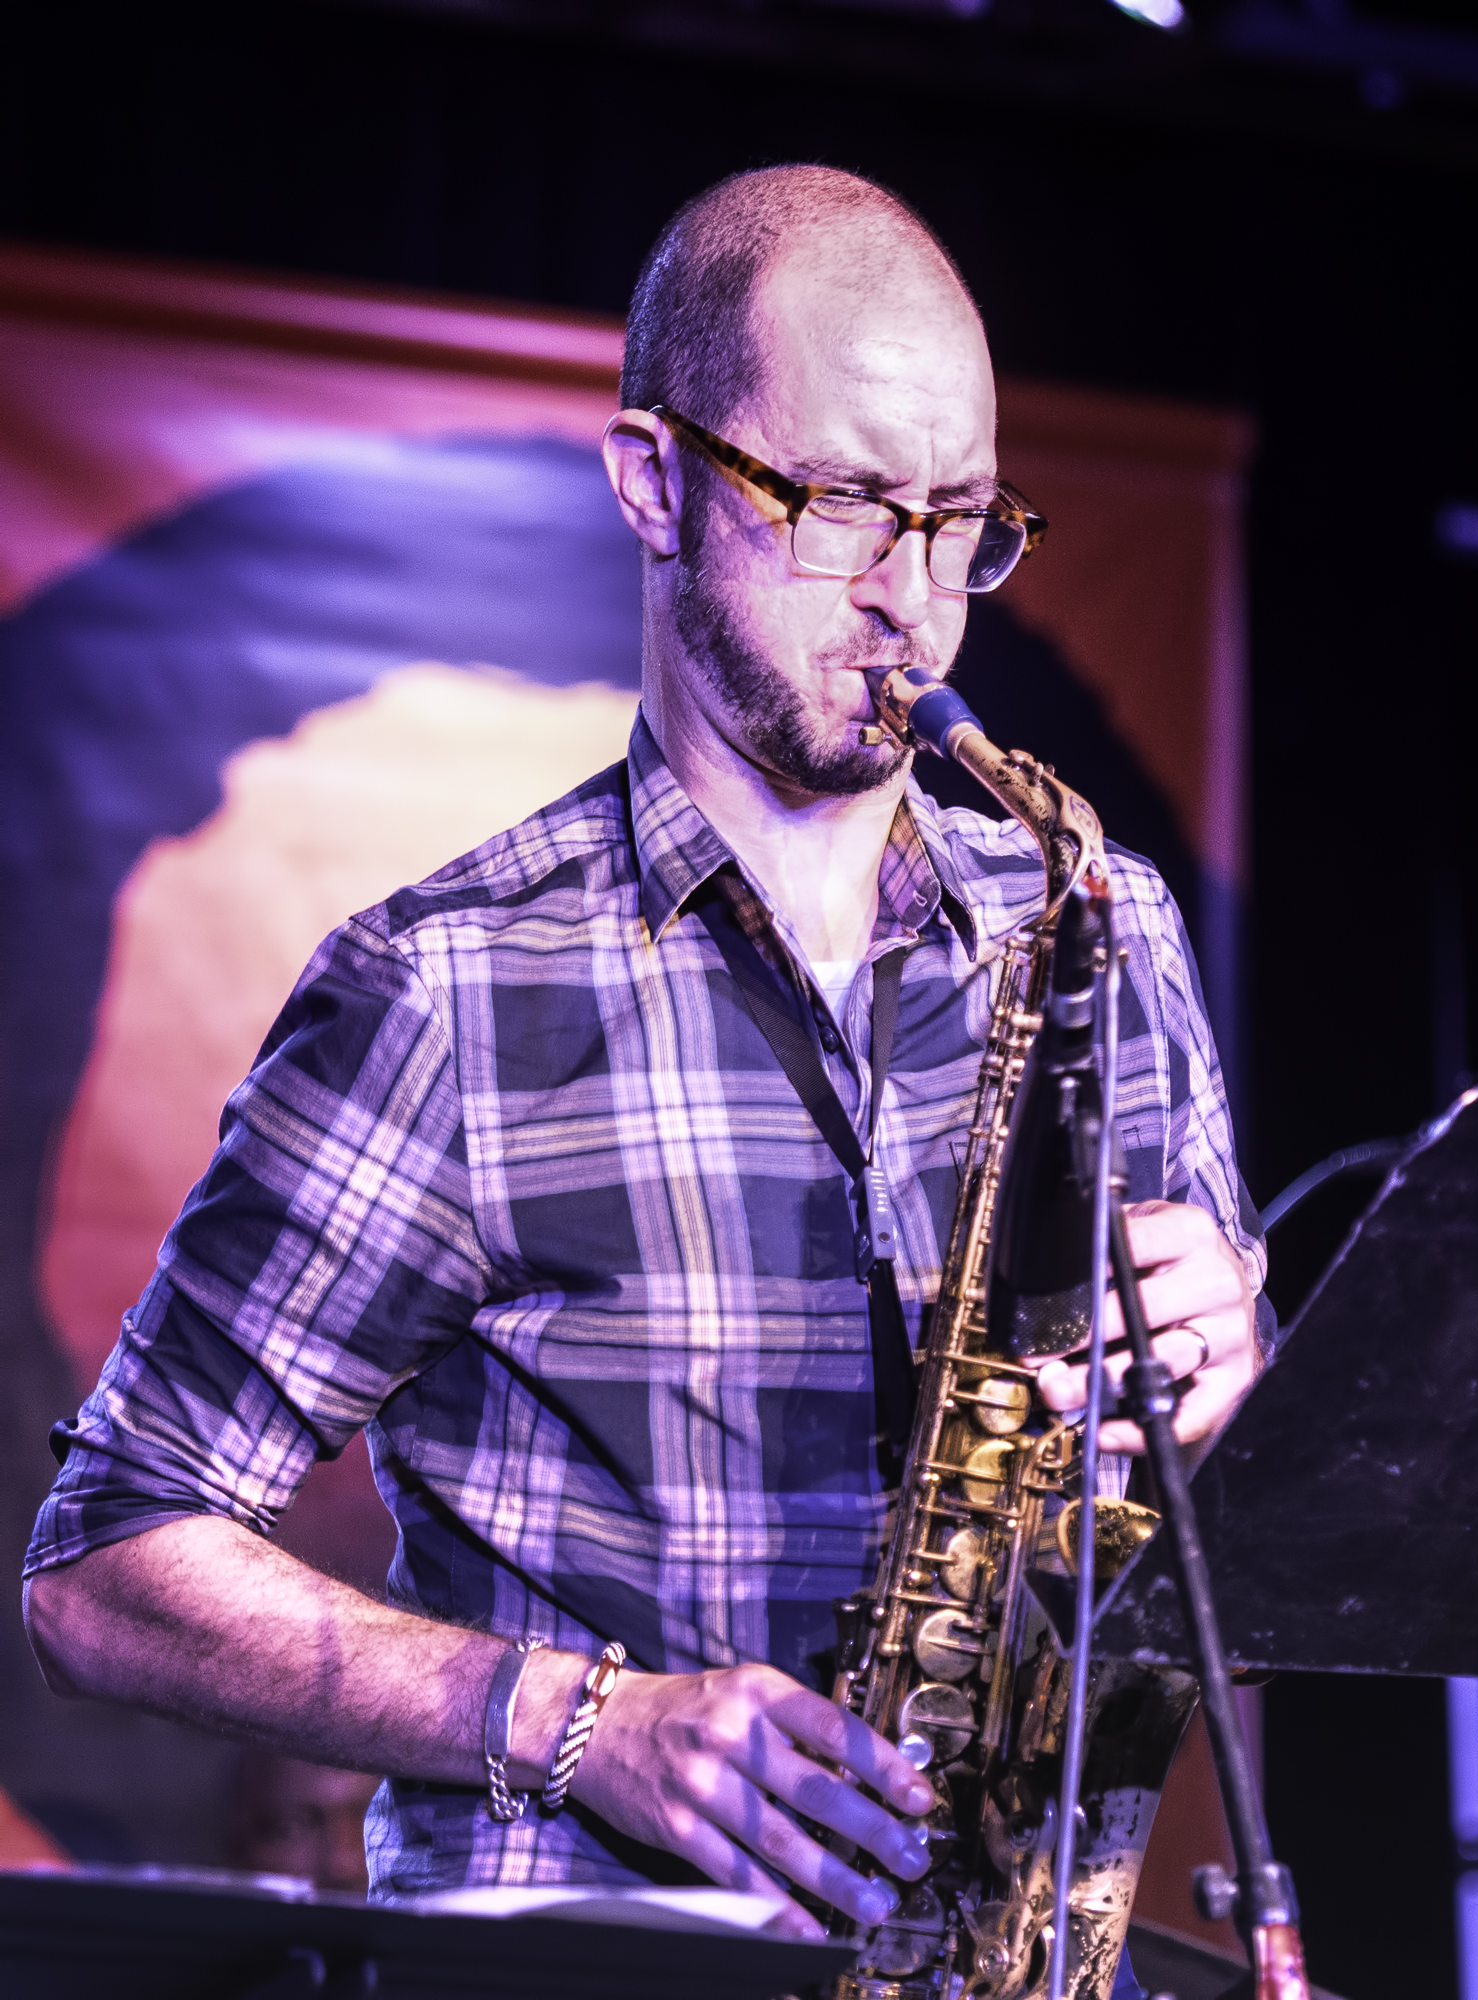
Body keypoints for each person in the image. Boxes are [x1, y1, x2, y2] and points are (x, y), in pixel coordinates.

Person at [21, 166, 1266, 1942]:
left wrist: (1231, 1376)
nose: (909, 599)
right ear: (652, 481)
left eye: (960, 521)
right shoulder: (441, 989)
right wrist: (579, 1723)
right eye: (839, 504)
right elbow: (102, 1572)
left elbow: (1239, 1517)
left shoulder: (1100, 924)